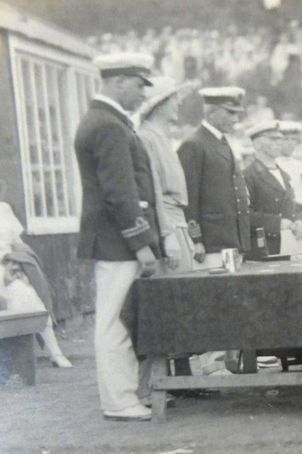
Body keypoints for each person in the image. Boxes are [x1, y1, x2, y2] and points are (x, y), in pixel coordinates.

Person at [74, 52, 160, 422]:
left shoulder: (106, 121)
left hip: (114, 239)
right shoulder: (109, 125)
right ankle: (120, 401)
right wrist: (142, 244)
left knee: (116, 320)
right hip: (118, 241)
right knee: (114, 322)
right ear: (120, 81)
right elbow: (120, 194)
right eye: (140, 86)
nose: (143, 95)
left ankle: (127, 395)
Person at [135, 76, 197, 404]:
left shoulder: (162, 136)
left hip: (178, 221)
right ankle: (147, 387)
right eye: (173, 100)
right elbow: (154, 192)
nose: (178, 104)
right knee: (163, 307)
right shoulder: (147, 137)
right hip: (167, 224)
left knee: (180, 306)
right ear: (159, 104)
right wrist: (167, 237)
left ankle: (180, 379)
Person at [178, 86, 251, 269]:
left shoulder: (221, 141)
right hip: (210, 246)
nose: (235, 120)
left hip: (230, 241)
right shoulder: (194, 144)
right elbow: (188, 197)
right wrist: (196, 240)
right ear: (211, 112)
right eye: (230, 113)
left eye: (237, 114)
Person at [0, 196, 72, 372]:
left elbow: (17, 243)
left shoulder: (4, 208)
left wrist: (22, 263)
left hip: (9, 266)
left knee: (30, 298)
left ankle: (55, 353)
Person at [244, 120, 302, 255]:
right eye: (273, 139)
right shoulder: (248, 175)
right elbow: (245, 215)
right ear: (257, 144)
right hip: (265, 247)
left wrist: (300, 221)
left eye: (280, 139)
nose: (279, 143)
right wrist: (277, 223)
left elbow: (293, 206)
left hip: (289, 244)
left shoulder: (285, 175)